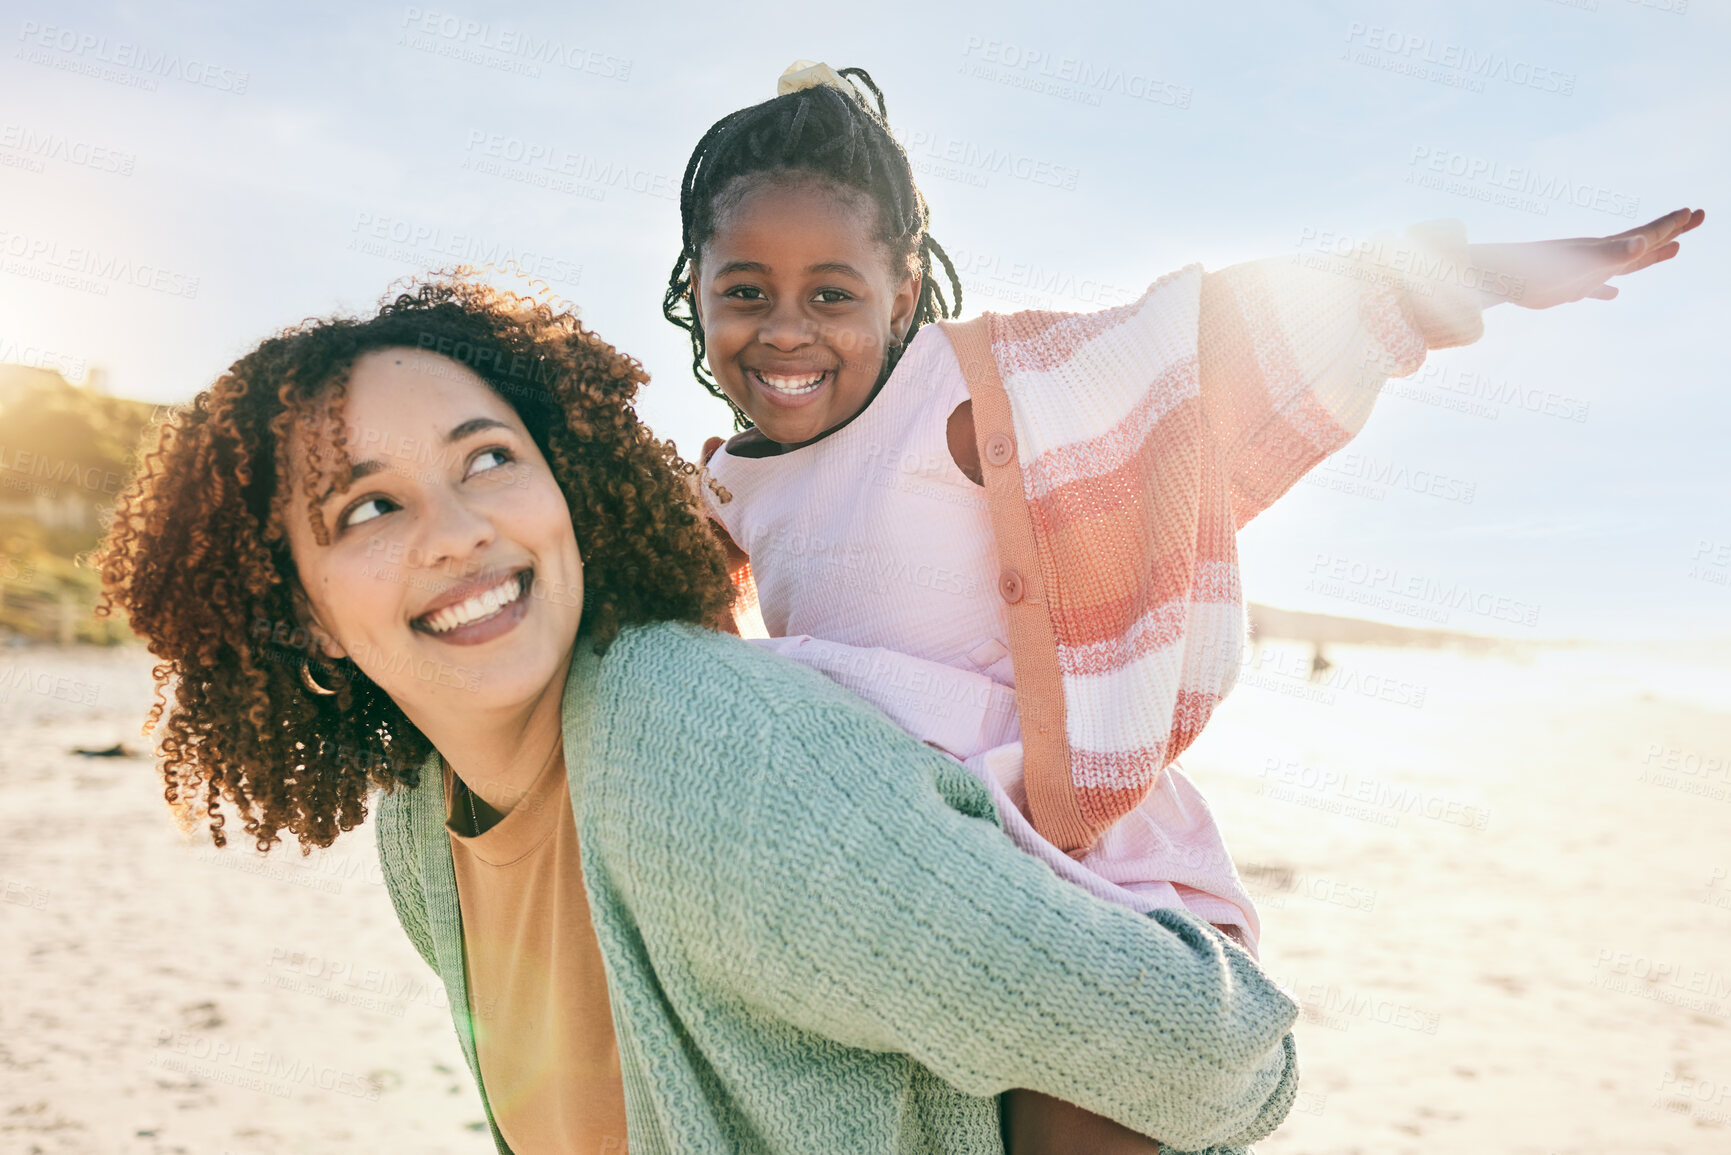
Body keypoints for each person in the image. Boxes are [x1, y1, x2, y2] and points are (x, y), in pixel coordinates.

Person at [664, 61, 1703, 1150]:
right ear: (698, 289)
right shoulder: (728, 489)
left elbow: (1217, 342)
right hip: (912, 870)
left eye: (833, 294)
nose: (786, 331)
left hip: (1076, 857)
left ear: (905, 293)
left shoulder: (976, 390)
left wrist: (1471, 273)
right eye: (746, 291)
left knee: (1093, 1109)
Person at [98, 277, 1302, 1155]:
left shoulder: (696, 750)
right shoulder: (426, 821)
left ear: (565, 485)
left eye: (488, 461)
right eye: (366, 509)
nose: (460, 531)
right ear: (299, 609)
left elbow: (1216, 1054)